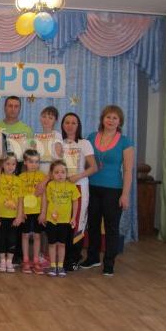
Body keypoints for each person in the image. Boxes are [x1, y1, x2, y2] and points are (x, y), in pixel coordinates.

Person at [81, 105, 134, 276]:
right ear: (102, 119)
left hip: (114, 190)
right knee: (93, 224)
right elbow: (84, 162)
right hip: (92, 187)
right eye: (108, 117)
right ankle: (93, 257)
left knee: (111, 227)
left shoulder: (125, 141)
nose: (111, 121)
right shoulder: (91, 137)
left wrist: (125, 194)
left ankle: (109, 262)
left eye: (115, 118)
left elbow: (128, 170)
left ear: (120, 122)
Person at [60, 113, 97, 271]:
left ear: (78, 125)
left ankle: (74, 257)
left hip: (79, 186)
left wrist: (78, 176)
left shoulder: (84, 143)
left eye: (73, 122)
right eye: (67, 122)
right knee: (63, 221)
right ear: (62, 125)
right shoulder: (59, 143)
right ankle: (62, 257)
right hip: (62, 188)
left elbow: (93, 167)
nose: (70, 125)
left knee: (77, 221)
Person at [40, 160, 81, 278]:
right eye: (56, 172)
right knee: (52, 244)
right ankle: (53, 266)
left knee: (62, 244)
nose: (60, 175)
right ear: (52, 174)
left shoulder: (71, 186)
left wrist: (73, 217)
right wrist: (43, 214)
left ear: (66, 173)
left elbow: (75, 201)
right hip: (51, 220)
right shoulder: (50, 185)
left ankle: (61, 266)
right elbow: (46, 201)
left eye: (63, 172)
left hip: (65, 221)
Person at [0, 154, 23, 273]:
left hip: (14, 217)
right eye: (7, 164)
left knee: (12, 238)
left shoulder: (18, 180)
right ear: (2, 165)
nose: (10, 167)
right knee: (1, 238)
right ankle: (2, 260)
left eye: (13, 164)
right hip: (1, 216)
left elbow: (20, 199)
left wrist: (19, 215)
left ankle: (9, 261)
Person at [19, 149, 46, 275]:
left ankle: (36, 261)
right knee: (25, 235)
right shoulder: (21, 177)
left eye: (36, 162)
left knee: (37, 236)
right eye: (31, 162)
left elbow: (45, 196)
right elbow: (19, 197)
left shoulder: (42, 177)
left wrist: (43, 212)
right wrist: (21, 211)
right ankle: (25, 260)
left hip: (37, 212)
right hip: (25, 212)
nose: (34, 164)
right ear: (25, 162)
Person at [0, 96, 33, 166]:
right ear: (5, 108)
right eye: (10, 106)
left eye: (16, 106)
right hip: (1, 168)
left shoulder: (27, 130)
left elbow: (30, 155)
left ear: (20, 109)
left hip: (21, 168)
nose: (13, 109)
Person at [34, 106, 63, 175]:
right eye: (44, 116)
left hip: (52, 174)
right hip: (38, 174)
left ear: (55, 121)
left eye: (50, 118)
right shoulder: (36, 137)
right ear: (40, 118)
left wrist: (49, 177)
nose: (46, 120)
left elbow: (58, 159)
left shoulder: (57, 135)